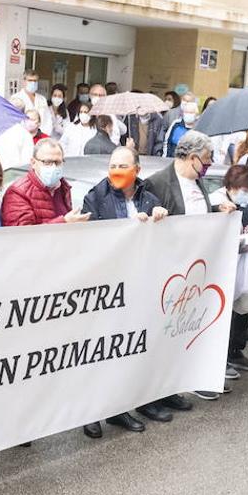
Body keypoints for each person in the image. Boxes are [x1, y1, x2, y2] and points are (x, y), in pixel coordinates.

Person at [78, 146, 169, 437]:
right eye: (112, 165)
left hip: (138, 285)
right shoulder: (95, 197)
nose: (116, 170)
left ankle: (119, 409)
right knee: (98, 352)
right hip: (105, 287)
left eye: (123, 165)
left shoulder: (149, 197)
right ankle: (91, 413)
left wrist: (160, 219)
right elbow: (88, 240)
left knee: (124, 350)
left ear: (137, 171)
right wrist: (126, 228)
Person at [145, 130, 235, 406]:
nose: (208, 166)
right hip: (166, 274)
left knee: (179, 335)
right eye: (206, 161)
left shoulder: (199, 184)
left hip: (194, 274)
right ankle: (152, 394)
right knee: (160, 336)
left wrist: (219, 211)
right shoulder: (157, 183)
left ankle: (172, 387)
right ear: (192, 157)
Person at [210, 164, 248, 381]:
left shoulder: (245, 199)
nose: (247, 194)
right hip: (222, 267)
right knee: (224, 314)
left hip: (245, 262)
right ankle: (221, 358)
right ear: (234, 185)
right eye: (246, 189)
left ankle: (236, 351)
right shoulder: (217, 200)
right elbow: (242, 219)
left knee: (244, 309)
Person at [1, 139, 90, 227]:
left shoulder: (62, 187)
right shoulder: (17, 193)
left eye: (58, 162)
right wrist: (64, 222)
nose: (54, 167)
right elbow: (22, 236)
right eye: (47, 162)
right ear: (33, 163)